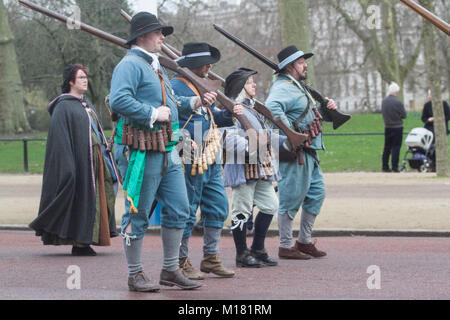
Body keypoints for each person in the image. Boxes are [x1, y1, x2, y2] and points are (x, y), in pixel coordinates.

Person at [109, 12, 216, 292]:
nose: (163, 37)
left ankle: (170, 269)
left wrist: (192, 102)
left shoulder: (155, 66)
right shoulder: (130, 64)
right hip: (141, 149)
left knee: (180, 209)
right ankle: (135, 273)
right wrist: (152, 113)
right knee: (138, 213)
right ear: (142, 36)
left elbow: (170, 104)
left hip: (167, 147)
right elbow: (119, 99)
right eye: (158, 32)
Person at [29, 64, 119, 256]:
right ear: (71, 81)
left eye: (86, 77)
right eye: (81, 78)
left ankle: (90, 239)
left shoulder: (86, 105)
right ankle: (80, 242)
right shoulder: (63, 107)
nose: (85, 80)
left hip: (96, 161)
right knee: (82, 199)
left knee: (98, 200)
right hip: (79, 163)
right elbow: (60, 141)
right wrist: (68, 167)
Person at [169, 42, 241, 280]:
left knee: (218, 206)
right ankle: (180, 260)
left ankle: (211, 257)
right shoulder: (175, 85)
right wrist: (198, 102)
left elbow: (210, 118)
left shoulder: (198, 84)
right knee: (187, 209)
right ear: (191, 64)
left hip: (209, 153)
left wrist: (230, 113)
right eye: (204, 63)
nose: (209, 67)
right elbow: (175, 113)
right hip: (186, 149)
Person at [265, 46, 338, 260]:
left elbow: (310, 116)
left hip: (310, 152)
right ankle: (286, 245)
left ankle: (304, 241)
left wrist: (326, 109)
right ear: (290, 67)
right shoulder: (284, 87)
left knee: (316, 194)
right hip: (297, 153)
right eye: (300, 62)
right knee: (291, 198)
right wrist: (292, 134)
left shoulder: (297, 86)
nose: (305, 65)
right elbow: (272, 108)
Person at [223, 67, 288, 267]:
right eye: (250, 82)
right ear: (240, 86)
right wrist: (255, 143)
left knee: (270, 206)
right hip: (242, 167)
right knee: (241, 210)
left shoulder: (251, 108)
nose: (254, 85)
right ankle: (241, 254)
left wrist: (289, 141)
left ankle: (258, 248)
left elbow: (266, 135)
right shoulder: (233, 109)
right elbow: (229, 141)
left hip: (261, 167)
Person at [421, 89, 450, 171]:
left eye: (430, 94)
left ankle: (438, 165)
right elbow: (423, 118)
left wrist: (440, 118)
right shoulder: (427, 105)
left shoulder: (443, 104)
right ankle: (431, 164)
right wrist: (429, 119)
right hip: (430, 128)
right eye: (428, 94)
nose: (429, 96)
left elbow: (448, 115)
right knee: (430, 147)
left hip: (441, 128)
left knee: (438, 147)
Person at [381, 82, 407, 172]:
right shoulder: (398, 102)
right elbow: (404, 115)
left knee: (387, 147)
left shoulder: (384, 101)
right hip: (397, 127)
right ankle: (395, 167)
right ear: (396, 92)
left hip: (387, 126)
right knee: (396, 147)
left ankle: (385, 166)